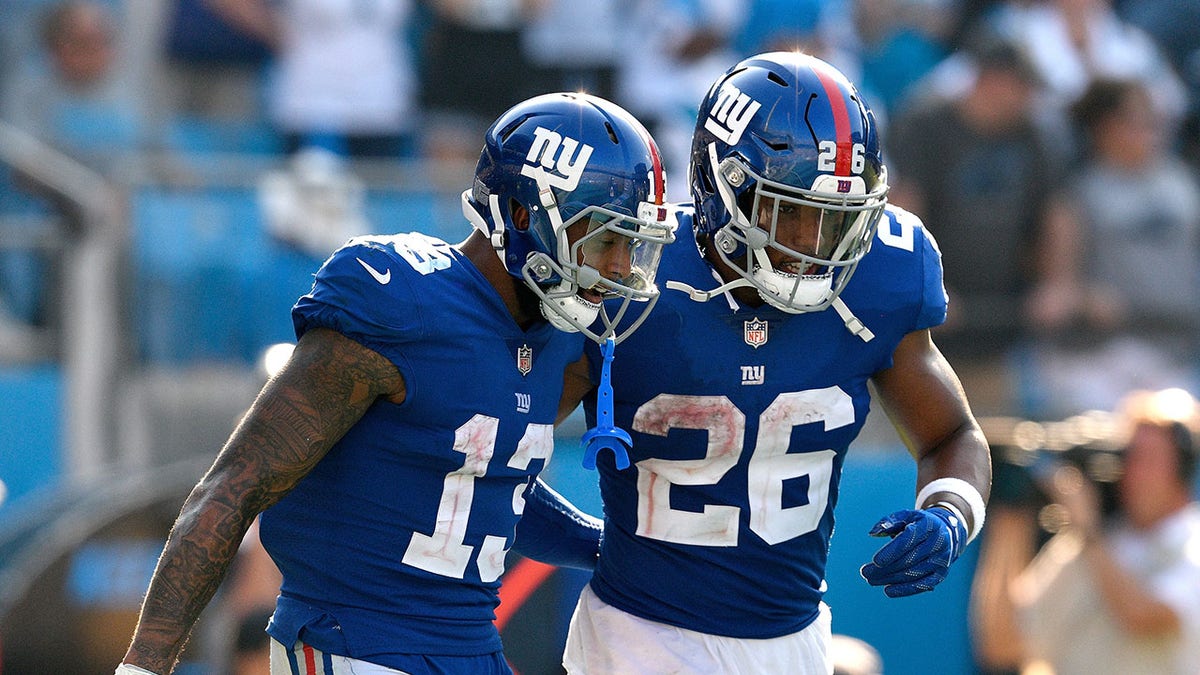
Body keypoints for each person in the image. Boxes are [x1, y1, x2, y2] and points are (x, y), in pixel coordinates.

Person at [115, 91, 675, 675]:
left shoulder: (558, 332)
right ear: (522, 215)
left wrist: (614, 546)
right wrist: (143, 667)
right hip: (354, 641)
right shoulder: (400, 302)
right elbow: (235, 485)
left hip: (471, 648)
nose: (617, 267)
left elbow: (486, 489)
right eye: (605, 239)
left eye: (630, 245)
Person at [548, 51, 992, 673]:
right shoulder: (631, 273)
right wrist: (589, 542)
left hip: (798, 640)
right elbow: (498, 448)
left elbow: (953, 434)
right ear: (723, 186)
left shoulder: (886, 272)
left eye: (840, 220)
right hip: (636, 638)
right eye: (795, 215)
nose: (817, 248)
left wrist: (948, 513)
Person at [980, 388, 1200, 674]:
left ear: (1181, 470)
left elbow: (1143, 617)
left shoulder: (1190, 542)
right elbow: (1004, 643)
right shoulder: (1087, 543)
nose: (1131, 472)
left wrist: (1088, 530)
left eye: (1147, 458)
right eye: (1128, 457)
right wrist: (1011, 520)